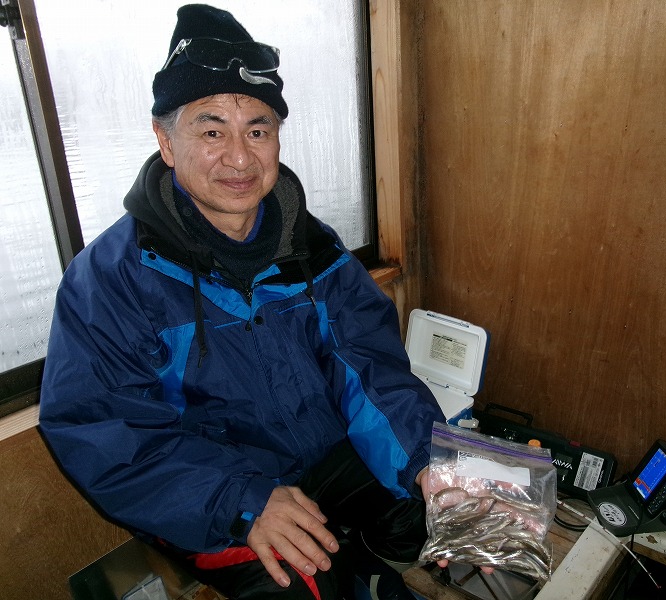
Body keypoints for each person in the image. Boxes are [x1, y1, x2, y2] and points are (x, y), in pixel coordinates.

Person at [38, 4, 447, 599]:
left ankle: (376, 562)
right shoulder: (109, 281)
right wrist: (243, 499)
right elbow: (103, 428)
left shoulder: (313, 249)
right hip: (211, 495)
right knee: (301, 585)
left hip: (323, 453)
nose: (239, 157)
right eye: (212, 131)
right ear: (166, 141)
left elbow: (370, 367)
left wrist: (430, 461)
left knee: (438, 509)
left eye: (258, 130)